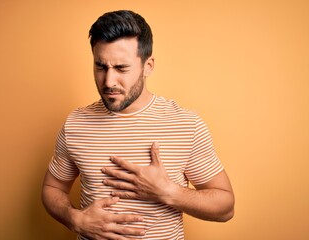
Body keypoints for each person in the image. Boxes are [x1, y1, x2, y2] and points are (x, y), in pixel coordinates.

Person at [41, 10, 235, 240]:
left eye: (122, 68)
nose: (109, 81)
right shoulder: (76, 124)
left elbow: (225, 208)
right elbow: (52, 189)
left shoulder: (185, 125)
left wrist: (169, 192)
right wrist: (74, 219)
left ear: (148, 65)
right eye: (101, 67)